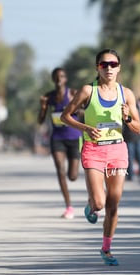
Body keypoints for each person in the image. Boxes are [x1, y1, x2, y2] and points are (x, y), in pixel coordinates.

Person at [61, 49, 140, 266]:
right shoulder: (88, 91)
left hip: (117, 151)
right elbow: (65, 116)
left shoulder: (127, 94)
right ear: (97, 67)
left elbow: (138, 128)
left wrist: (127, 118)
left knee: (113, 205)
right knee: (99, 202)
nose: (109, 68)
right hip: (94, 150)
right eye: (103, 64)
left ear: (119, 67)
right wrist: (85, 127)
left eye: (113, 64)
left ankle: (106, 249)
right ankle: (90, 205)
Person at [38, 67, 82, 219]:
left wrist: (75, 111)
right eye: (56, 77)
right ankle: (69, 206)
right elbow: (40, 120)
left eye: (62, 76)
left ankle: (71, 202)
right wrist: (43, 107)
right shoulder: (48, 97)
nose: (59, 79)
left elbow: (84, 112)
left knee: (73, 176)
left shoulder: (73, 93)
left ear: (66, 79)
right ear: (53, 79)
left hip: (74, 137)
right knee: (60, 170)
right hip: (57, 137)